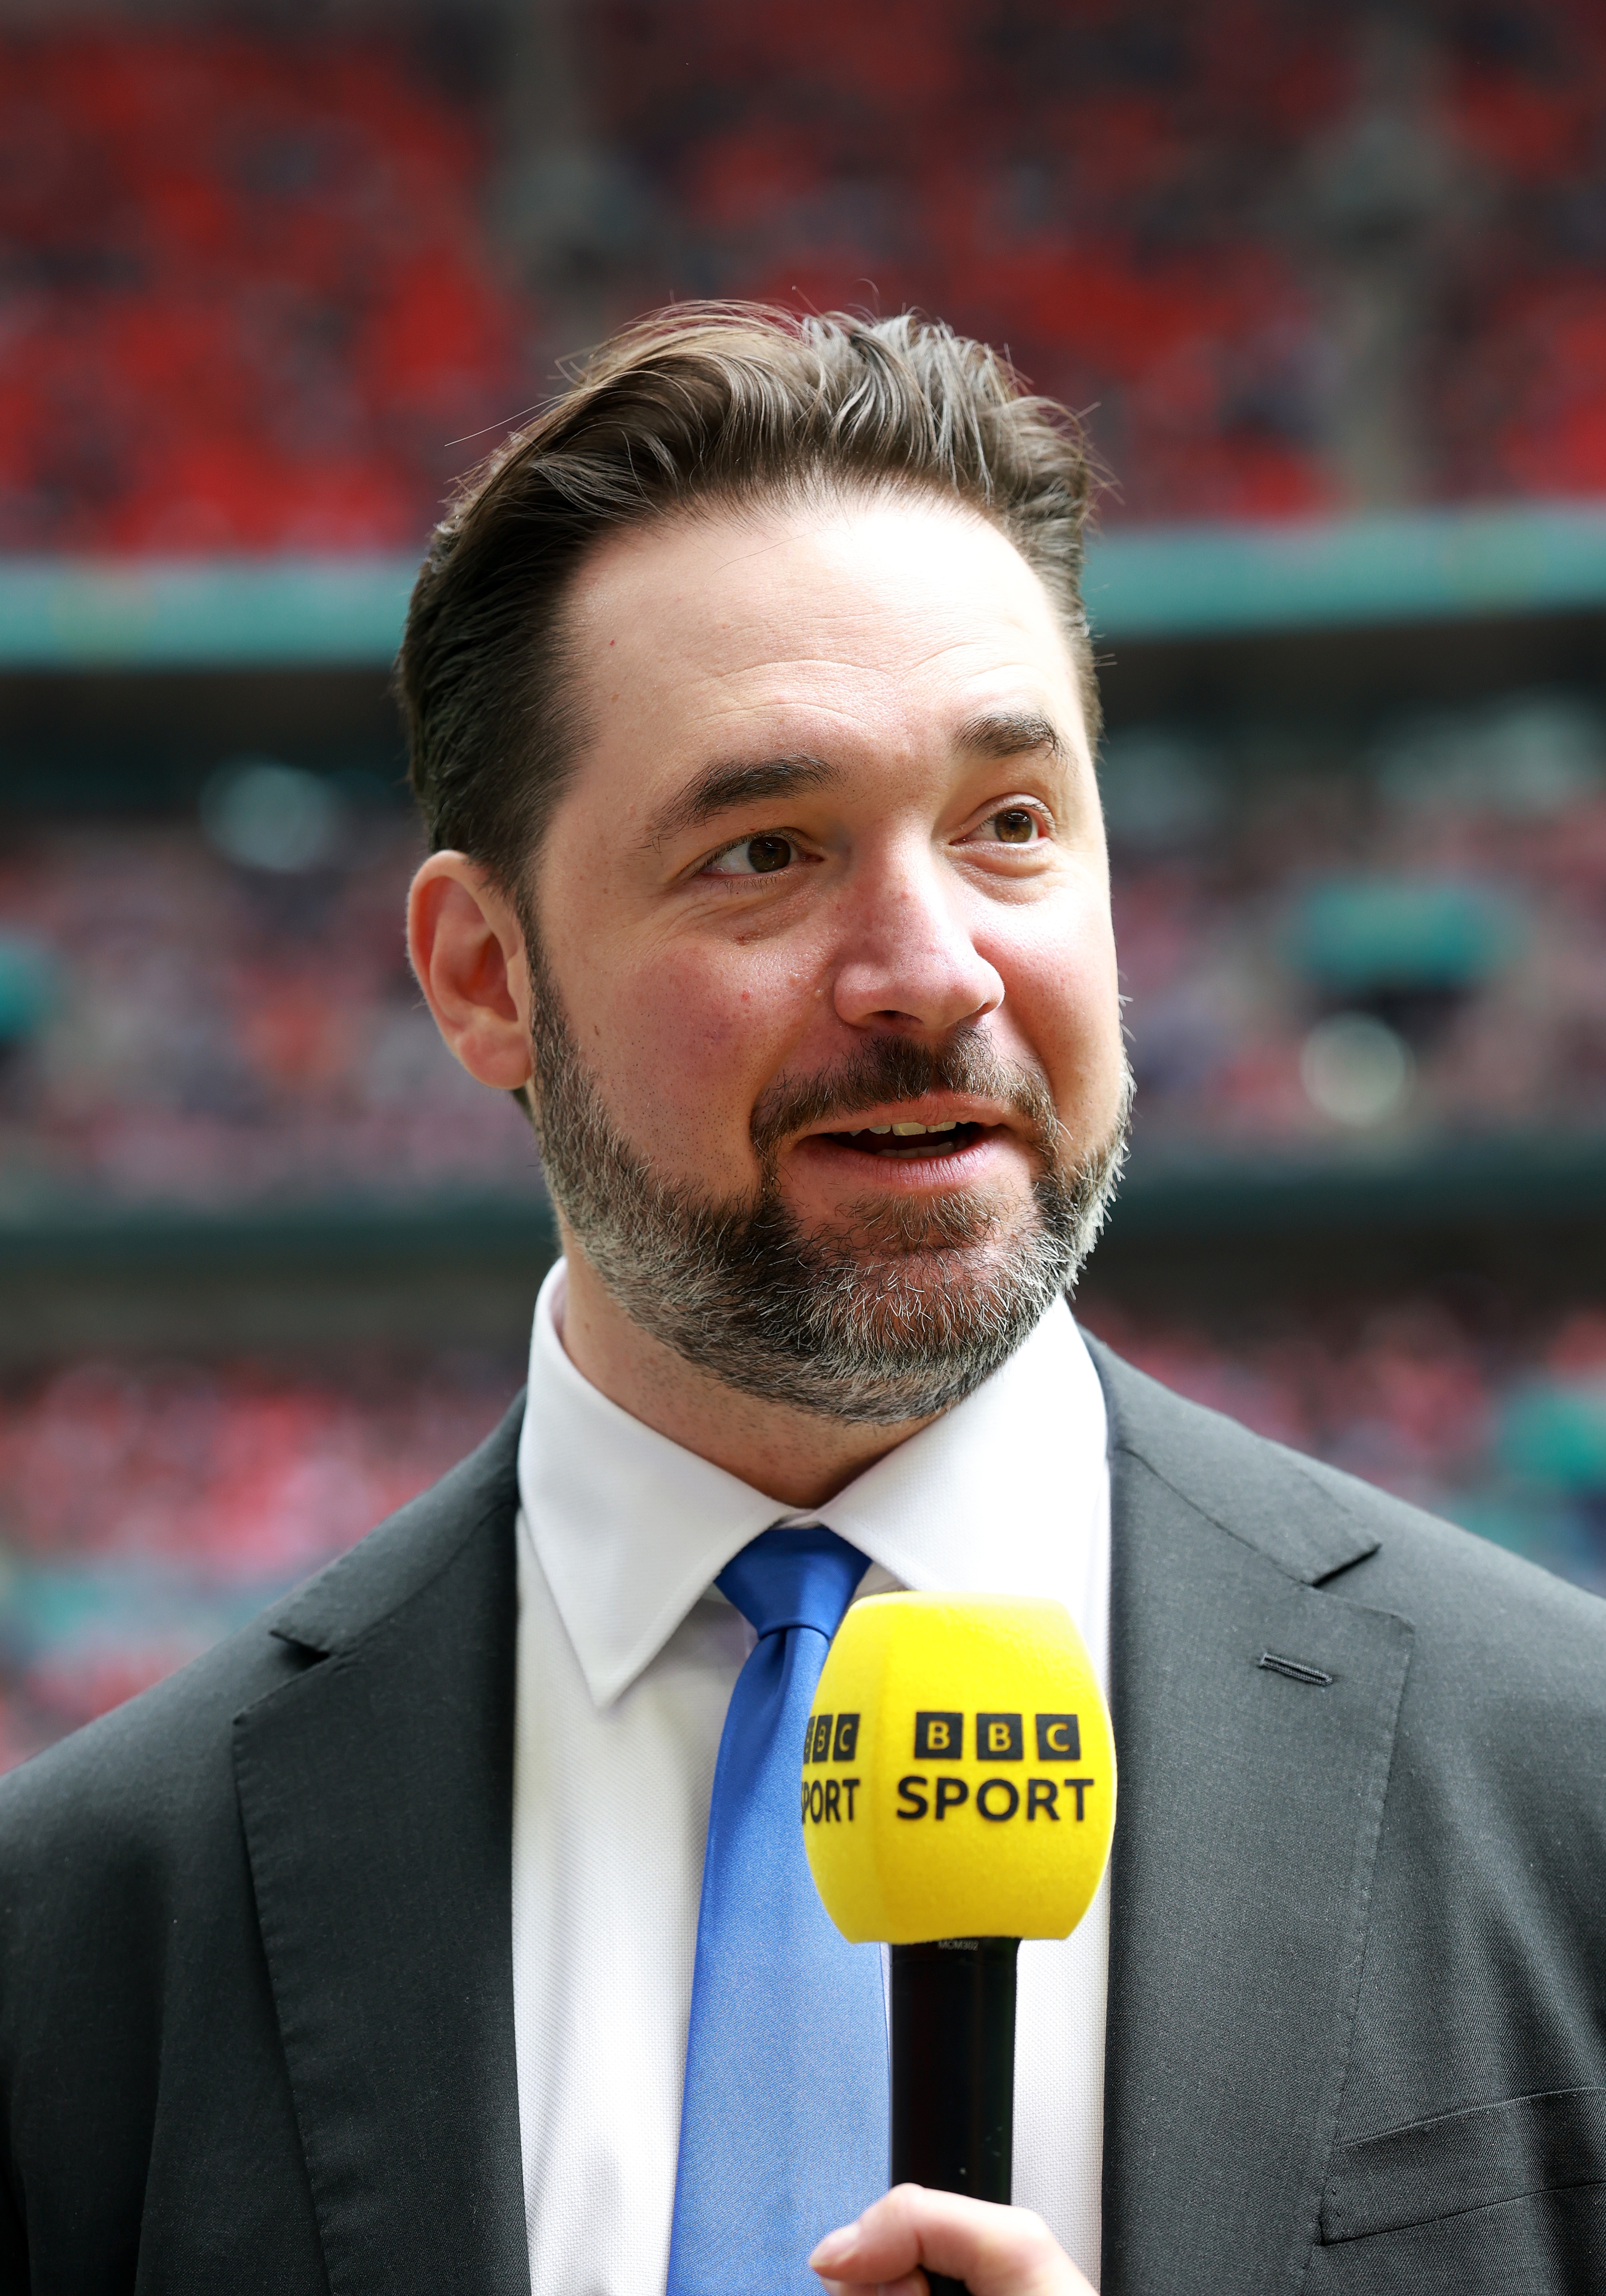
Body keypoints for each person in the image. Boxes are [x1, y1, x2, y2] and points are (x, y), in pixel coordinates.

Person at [1, 307, 1603, 2296]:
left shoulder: (1565, 1782)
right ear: (485, 976)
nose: (932, 968)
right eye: (767, 851)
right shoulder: (81, 1923)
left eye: (1010, 822)